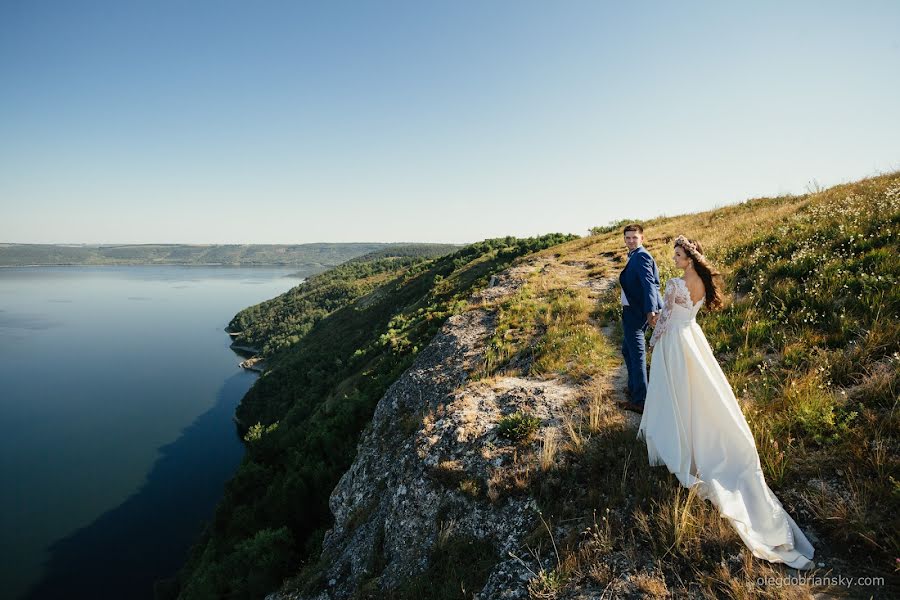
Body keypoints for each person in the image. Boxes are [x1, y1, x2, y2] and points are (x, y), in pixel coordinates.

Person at [638, 235, 815, 570]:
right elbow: (686, 315)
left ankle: (679, 442)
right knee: (699, 394)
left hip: (676, 344)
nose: (673, 259)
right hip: (693, 340)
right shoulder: (703, 282)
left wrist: (651, 329)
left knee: (674, 393)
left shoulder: (676, 283)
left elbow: (663, 322)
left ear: (688, 258)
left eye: (677, 255)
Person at [617, 223, 664, 414]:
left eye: (634, 237)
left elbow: (649, 285)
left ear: (642, 238)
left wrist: (650, 311)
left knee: (636, 355)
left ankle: (641, 400)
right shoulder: (634, 255)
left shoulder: (642, 255)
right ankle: (634, 387)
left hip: (637, 313)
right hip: (633, 311)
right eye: (627, 238)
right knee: (627, 351)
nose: (630, 241)